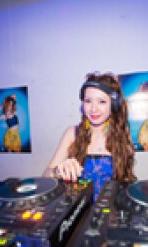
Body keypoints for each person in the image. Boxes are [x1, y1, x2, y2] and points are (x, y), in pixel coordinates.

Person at [42, 71, 137, 202]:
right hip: (78, 209)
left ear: (113, 105)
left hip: (110, 210)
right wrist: (58, 171)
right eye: (88, 101)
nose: (93, 109)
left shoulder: (123, 135)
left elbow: (126, 181)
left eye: (102, 101)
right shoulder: (71, 133)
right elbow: (45, 175)